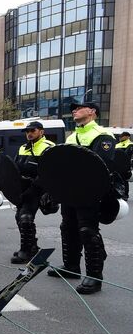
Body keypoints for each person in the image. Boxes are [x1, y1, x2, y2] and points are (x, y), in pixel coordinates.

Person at [47, 102, 117, 294]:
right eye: (73, 109)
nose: (74, 111)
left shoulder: (102, 135)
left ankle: (94, 277)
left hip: (90, 192)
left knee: (87, 230)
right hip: (70, 191)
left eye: (79, 108)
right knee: (67, 227)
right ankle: (71, 267)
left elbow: (101, 166)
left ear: (92, 111)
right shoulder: (72, 137)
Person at [12, 122, 55, 263]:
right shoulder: (23, 148)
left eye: (33, 130)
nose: (29, 133)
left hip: (38, 190)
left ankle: (26, 252)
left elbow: (48, 172)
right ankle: (32, 247)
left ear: (41, 132)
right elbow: (15, 168)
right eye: (27, 131)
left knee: (25, 217)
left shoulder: (48, 147)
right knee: (20, 217)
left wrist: (34, 190)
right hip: (22, 190)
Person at [115, 131, 131, 200]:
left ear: (127, 137)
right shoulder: (117, 145)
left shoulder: (130, 144)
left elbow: (127, 156)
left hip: (125, 165)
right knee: (116, 179)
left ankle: (125, 195)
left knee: (124, 180)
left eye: (121, 136)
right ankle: (118, 193)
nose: (120, 138)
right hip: (116, 165)